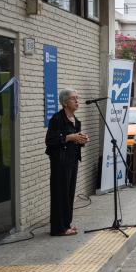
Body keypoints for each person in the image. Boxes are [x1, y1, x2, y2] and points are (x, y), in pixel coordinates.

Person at [45, 88, 88, 237]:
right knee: (59, 194)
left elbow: (75, 140)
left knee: (69, 193)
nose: (77, 101)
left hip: (72, 160)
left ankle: (66, 224)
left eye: (77, 98)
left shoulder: (76, 120)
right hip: (60, 162)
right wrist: (70, 137)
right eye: (73, 98)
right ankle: (58, 228)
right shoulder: (57, 119)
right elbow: (50, 141)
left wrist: (81, 140)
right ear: (64, 102)